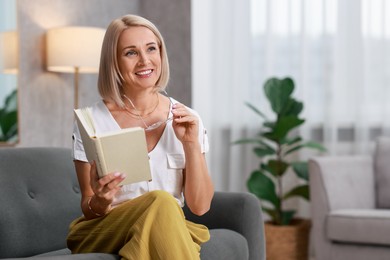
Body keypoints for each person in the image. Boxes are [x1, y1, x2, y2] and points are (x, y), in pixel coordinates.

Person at [67, 14, 214, 260]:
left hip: (169, 225)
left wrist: (190, 143)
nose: (145, 60)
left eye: (151, 49)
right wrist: (102, 200)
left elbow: (200, 207)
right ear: (114, 61)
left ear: (161, 53)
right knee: (161, 201)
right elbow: (89, 207)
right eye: (131, 53)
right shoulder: (92, 121)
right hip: (107, 228)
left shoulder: (187, 118)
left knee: (160, 214)